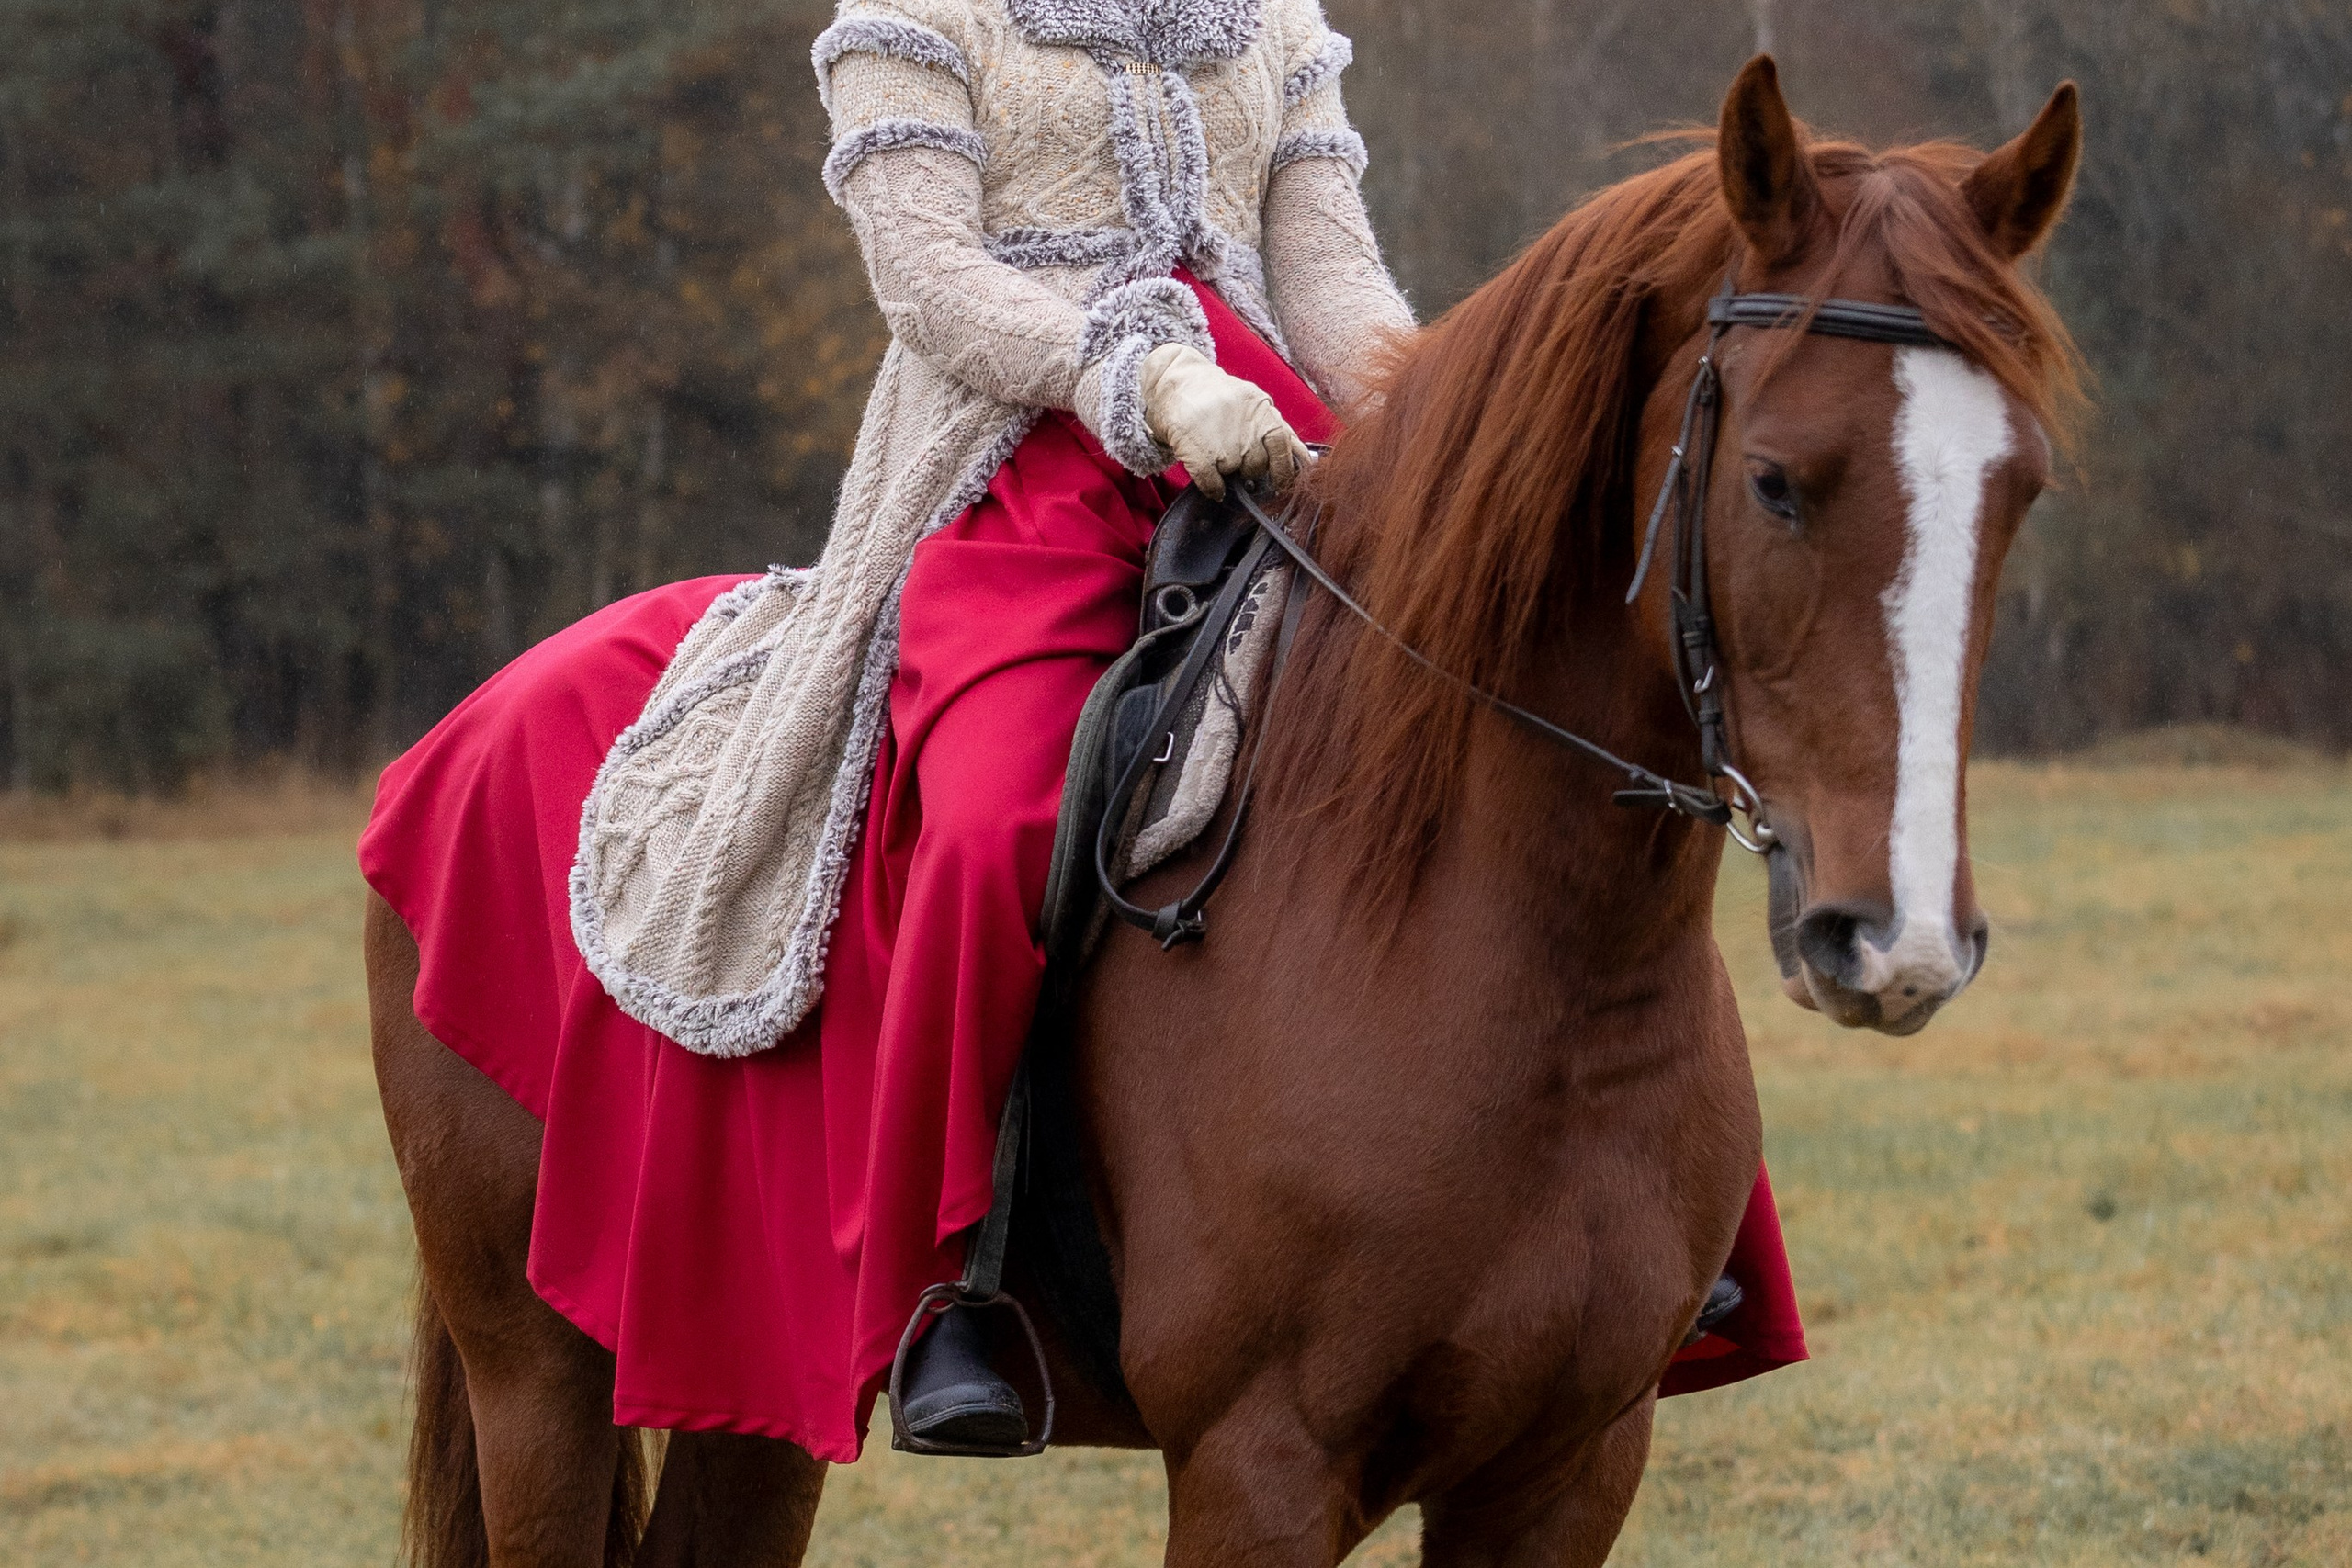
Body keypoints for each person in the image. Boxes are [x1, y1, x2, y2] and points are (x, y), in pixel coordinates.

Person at [363, 0, 1432, 1460]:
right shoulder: (919, 17)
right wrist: (1137, 376)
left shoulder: (1268, 21)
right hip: (1019, 475)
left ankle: (1613, 1213)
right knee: (994, 820)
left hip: (1270, 453)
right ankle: (961, 1289)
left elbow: (1331, 266)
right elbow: (930, 280)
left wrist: (1429, 419)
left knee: (1493, 734)